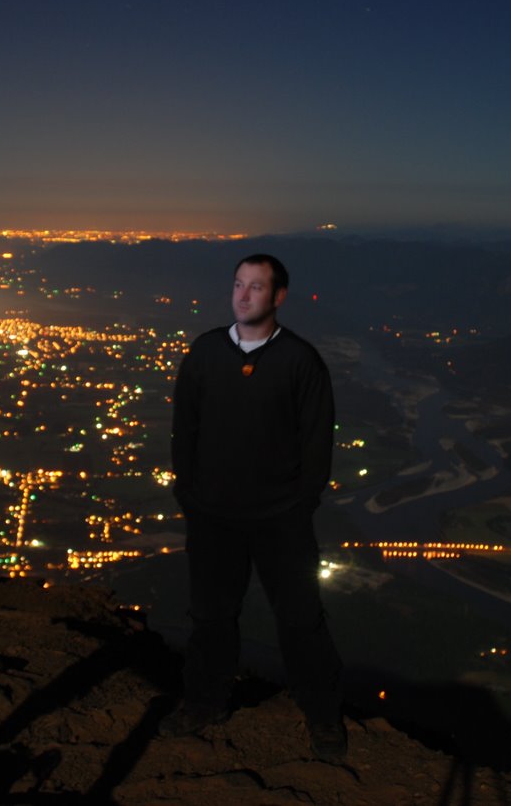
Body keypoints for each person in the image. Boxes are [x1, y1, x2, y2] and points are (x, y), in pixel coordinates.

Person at [161, 253, 346, 760]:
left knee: (301, 619)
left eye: (256, 288)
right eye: (238, 285)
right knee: (211, 617)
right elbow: (186, 428)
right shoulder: (204, 353)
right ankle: (203, 704)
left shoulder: (300, 361)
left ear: (278, 297)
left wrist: (299, 503)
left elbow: (316, 444)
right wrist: (190, 495)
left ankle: (324, 718)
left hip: (280, 519)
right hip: (214, 517)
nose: (243, 296)